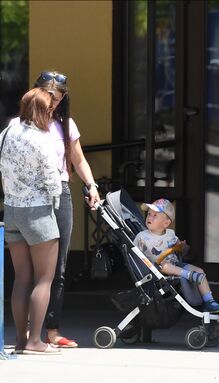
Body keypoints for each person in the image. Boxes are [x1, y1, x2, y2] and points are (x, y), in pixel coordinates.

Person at [22, 71, 100, 348]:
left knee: (59, 266)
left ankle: (52, 330)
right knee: (31, 269)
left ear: (64, 97)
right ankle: (28, 332)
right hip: (31, 199)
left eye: (57, 96)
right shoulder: (22, 127)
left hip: (61, 194)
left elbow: (78, 161)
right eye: (47, 94)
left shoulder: (65, 125)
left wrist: (91, 186)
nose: (52, 101)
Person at [0, 88, 62, 354]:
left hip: (12, 209)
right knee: (44, 279)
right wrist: (56, 197)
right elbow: (52, 178)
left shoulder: (7, 133)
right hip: (38, 212)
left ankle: (21, 339)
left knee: (21, 278)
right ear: (44, 111)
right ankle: (36, 341)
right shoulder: (42, 139)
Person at [134, 198, 219, 313]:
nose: (149, 217)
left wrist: (183, 247)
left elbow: (183, 252)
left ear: (166, 223)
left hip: (176, 265)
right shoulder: (141, 236)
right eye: (149, 214)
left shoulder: (171, 234)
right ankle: (189, 275)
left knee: (199, 271)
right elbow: (133, 255)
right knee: (165, 266)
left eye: (155, 215)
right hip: (156, 269)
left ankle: (209, 301)